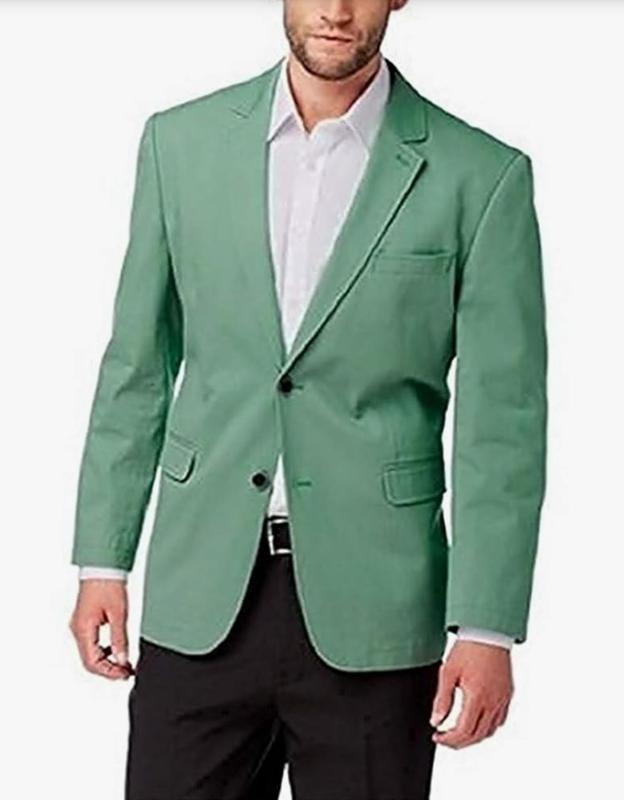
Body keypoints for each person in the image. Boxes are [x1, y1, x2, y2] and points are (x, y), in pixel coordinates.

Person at [69, 1, 548, 797]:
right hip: (201, 592)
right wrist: (102, 561)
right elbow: (137, 366)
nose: (334, 9)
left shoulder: (481, 176)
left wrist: (487, 626)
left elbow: (504, 422)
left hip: (380, 608)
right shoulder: (178, 144)